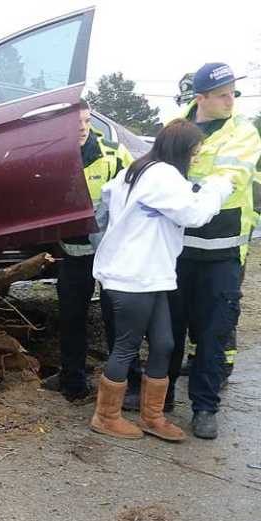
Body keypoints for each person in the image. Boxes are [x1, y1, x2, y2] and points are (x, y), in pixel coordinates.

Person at [90, 119, 233, 441]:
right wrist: (219, 187)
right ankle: (106, 415)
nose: (196, 159)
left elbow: (110, 195)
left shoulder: (144, 169)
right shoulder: (161, 174)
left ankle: (151, 415)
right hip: (133, 275)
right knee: (127, 346)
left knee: (165, 344)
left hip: (152, 274)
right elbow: (194, 215)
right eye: (195, 153)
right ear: (181, 149)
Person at [166, 63, 261, 439]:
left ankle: (205, 407)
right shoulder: (175, 127)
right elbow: (159, 174)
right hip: (176, 249)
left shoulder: (243, 131)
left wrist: (190, 196)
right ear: (200, 98)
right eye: (222, 94)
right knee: (168, 331)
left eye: (233, 92)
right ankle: (162, 397)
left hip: (222, 251)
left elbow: (228, 178)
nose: (231, 100)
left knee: (213, 334)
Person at [43, 100, 133, 402]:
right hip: (73, 253)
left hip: (109, 254)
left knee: (115, 318)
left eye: (86, 120)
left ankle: (125, 383)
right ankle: (73, 379)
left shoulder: (112, 152)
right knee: (70, 317)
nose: (82, 128)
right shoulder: (53, 154)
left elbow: (135, 195)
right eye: (75, 122)